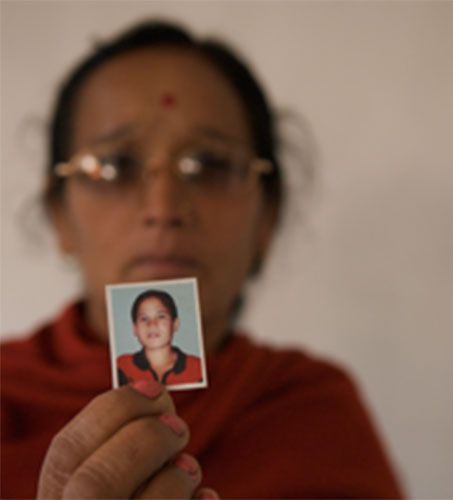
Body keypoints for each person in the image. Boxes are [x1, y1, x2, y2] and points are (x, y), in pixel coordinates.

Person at [0, 19, 405, 499]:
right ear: (59, 215)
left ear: (266, 219)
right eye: (113, 166)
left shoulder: (315, 415)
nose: (164, 209)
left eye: (211, 165)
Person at [117, 289, 203, 386]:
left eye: (161, 316)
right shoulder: (121, 366)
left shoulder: (198, 368)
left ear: (175, 324)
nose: (152, 325)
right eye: (144, 318)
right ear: (135, 328)